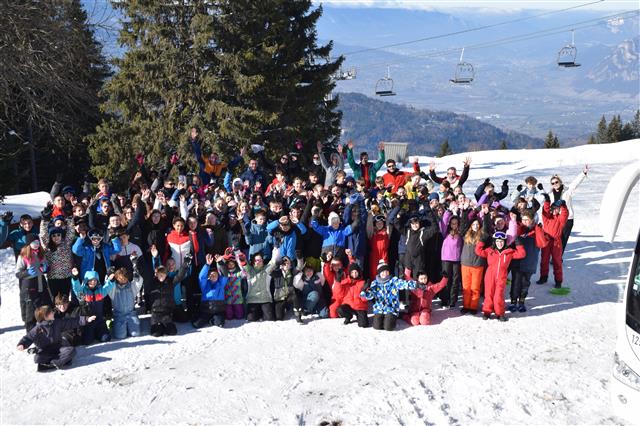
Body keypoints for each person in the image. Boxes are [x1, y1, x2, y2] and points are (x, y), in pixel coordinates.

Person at [17, 305, 96, 372]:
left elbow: (70, 322)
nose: (53, 313)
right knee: (37, 358)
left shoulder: (57, 323)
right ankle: (62, 361)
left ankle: (54, 363)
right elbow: (28, 337)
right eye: (51, 312)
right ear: (45, 316)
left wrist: (86, 319)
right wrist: (22, 344)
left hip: (58, 348)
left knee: (71, 350)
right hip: (45, 350)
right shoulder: (38, 328)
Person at [475, 232, 526, 321]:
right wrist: (482, 239)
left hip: (502, 277)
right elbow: (478, 251)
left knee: (499, 295)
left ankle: (500, 313)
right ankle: (487, 311)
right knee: (489, 294)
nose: (500, 243)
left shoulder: (509, 252)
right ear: (495, 242)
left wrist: (517, 242)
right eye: (498, 241)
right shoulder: (490, 251)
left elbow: (522, 254)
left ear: (505, 242)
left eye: (502, 241)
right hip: (490, 276)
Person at [360, 260, 417, 331]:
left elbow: (404, 284)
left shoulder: (393, 280)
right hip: (379, 308)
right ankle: (384, 318)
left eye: (386, 271)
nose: (385, 273)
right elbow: (371, 295)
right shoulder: (375, 283)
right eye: (382, 271)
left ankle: (394, 317)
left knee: (388, 327)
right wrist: (364, 292)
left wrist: (416, 284)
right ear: (379, 273)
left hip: (391, 309)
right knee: (377, 326)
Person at [509, 211, 546, 312]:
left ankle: (521, 302)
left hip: (529, 263)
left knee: (525, 284)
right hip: (517, 262)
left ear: (532, 221)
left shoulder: (536, 232)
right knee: (515, 283)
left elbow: (543, 244)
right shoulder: (519, 230)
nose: (524, 222)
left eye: (527, 220)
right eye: (523, 220)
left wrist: (538, 229)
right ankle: (513, 301)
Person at [546, 166, 588, 252]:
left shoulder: (567, 191)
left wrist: (583, 173)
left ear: (560, 182)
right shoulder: (550, 194)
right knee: (555, 238)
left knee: (563, 240)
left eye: (556, 182)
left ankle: (558, 257)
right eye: (552, 183)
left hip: (567, 219)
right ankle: (554, 255)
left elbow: (576, 183)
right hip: (555, 219)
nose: (555, 184)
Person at [16, 234, 51, 331]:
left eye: (37, 242)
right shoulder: (23, 256)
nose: (36, 244)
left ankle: (46, 330)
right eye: (34, 243)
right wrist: (27, 272)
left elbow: (46, 268)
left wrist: (45, 268)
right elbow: (18, 273)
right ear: (29, 244)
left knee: (45, 308)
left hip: (41, 285)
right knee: (31, 312)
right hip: (29, 287)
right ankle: (31, 334)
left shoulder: (41, 254)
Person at [71, 268, 115, 343]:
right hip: (88, 321)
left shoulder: (101, 291)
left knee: (106, 338)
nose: (93, 282)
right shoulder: (83, 293)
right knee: (87, 341)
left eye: (95, 280)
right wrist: (75, 278)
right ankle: (92, 334)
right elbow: (77, 289)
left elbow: (107, 287)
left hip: (99, 321)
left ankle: (99, 333)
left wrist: (111, 280)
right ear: (86, 281)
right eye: (91, 280)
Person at [537, 196, 569, 288]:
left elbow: (565, 214)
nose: (555, 210)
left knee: (557, 261)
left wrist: (563, 205)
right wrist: (547, 201)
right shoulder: (547, 218)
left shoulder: (560, 220)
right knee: (544, 260)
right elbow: (545, 211)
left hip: (556, 242)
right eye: (553, 208)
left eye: (557, 209)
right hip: (546, 241)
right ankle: (543, 277)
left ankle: (558, 280)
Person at [106, 261, 143, 339]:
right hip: (119, 315)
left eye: (124, 278)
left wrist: (137, 276)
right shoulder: (114, 288)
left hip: (131, 314)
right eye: (120, 278)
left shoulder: (131, 286)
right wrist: (109, 277)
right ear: (116, 278)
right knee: (120, 336)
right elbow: (107, 286)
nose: (122, 279)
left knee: (135, 333)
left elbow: (139, 282)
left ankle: (131, 324)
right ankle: (115, 325)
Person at [193, 254, 228, 328]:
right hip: (206, 310)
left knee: (220, 323)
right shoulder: (205, 285)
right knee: (196, 324)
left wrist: (220, 263)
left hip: (218, 310)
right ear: (208, 276)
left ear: (218, 276)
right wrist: (207, 265)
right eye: (211, 275)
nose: (213, 276)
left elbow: (225, 275)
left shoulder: (221, 284)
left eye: (215, 275)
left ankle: (211, 320)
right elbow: (201, 277)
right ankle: (207, 319)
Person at [335, 262, 369, 327]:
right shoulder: (346, 282)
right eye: (352, 272)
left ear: (359, 272)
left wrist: (364, 291)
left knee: (363, 324)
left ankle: (359, 316)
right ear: (350, 273)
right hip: (349, 305)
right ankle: (348, 316)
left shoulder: (363, 283)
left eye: (356, 272)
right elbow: (339, 293)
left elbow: (365, 300)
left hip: (360, 307)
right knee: (340, 309)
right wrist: (338, 282)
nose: (354, 274)